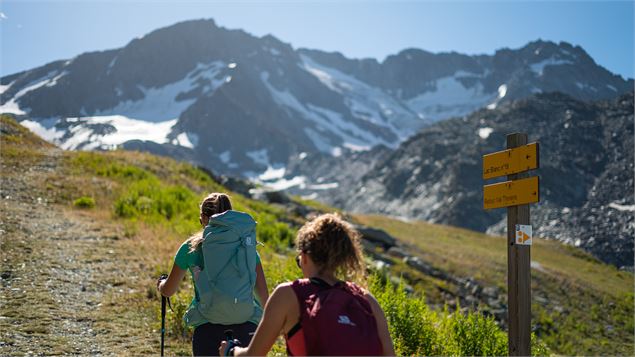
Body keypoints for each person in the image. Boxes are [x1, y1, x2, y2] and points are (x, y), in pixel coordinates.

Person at [219, 213, 395, 356]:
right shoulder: (366, 299)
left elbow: (252, 356)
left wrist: (231, 351)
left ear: (304, 256)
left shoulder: (288, 294)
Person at [157, 193, 269, 356]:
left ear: (202, 218)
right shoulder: (246, 246)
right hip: (246, 324)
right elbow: (265, 299)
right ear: (230, 214)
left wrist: (161, 283)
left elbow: (169, 290)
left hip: (208, 327)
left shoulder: (190, 248)